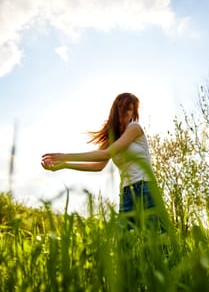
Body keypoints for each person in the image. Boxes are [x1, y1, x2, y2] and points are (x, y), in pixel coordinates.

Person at [41, 92, 165, 231]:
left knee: (159, 240)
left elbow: (106, 154)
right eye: (121, 108)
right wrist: (65, 165)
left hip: (146, 188)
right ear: (115, 110)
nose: (124, 113)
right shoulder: (113, 135)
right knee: (124, 244)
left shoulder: (134, 128)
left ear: (133, 112)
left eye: (129, 109)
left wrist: (65, 156)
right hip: (126, 192)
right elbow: (98, 166)